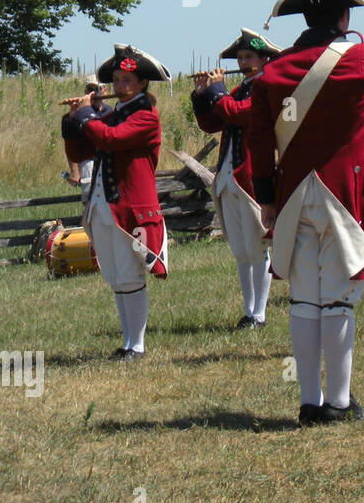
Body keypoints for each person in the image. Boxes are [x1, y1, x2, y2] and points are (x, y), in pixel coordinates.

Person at [248, 0, 364, 425]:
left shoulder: (272, 72)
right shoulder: (360, 58)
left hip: (293, 194)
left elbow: (260, 142)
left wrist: (265, 196)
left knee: (304, 300)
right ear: (344, 17)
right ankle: (339, 403)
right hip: (350, 193)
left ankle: (309, 402)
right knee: (339, 299)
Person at [62, 45, 171, 360]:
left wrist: (86, 115)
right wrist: (74, 121)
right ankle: (127, 342)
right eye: (116, 80)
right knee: (115, 276)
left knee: (129, 274)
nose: (119, 86)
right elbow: (80, 154)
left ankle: (136, 345)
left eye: (126, 80)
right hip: (103, 207)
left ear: (141, 85)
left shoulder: (145, 115)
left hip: (129, 209)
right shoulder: (112, 114)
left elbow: (112, 139)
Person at [192, 28, 282, 328]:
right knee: (241, 250)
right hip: (229, 179)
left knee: (257, 247)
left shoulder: (265, 91)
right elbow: (212, 123)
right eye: (241, 57)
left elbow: (238, 113)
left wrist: (217, 91)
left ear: (263, 59)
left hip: (251, 179)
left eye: (248, 57)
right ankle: (248, 310)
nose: (243, 62)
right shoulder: (239, 90)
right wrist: (202, 94)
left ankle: (260, 313)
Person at [61, 75, 110, 206]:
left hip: (109, 164)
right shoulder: (76, 114)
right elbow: (71, 145)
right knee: (91, 205)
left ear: (105, 90)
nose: (93, 93)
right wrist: (74, 171)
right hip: (88, 164)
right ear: (85, 91)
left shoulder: (110, 112)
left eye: (97, 89)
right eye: (90, 89)